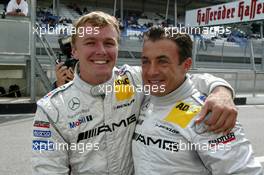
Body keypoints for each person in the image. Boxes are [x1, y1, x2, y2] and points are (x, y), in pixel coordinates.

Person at [32, 11, 237, 174]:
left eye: (109, 43)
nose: (101, 51)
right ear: (74, 50)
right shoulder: (51, 109)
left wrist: (221, 91)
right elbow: (48, 168)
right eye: (90, 42)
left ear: (118, 47)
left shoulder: (133, 80)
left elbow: (182, 79)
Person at [132, 26, 263, 175]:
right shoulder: (144, 96)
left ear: (186, 65)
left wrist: (221, 91)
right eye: (145, 61)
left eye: (163, 62)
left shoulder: (208, 113)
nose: (151, 71)